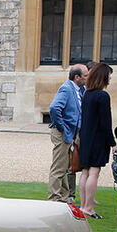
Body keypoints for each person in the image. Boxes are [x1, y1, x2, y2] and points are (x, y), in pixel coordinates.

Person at [76, 61, 116, 219]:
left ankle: (83, 205)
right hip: (97, 138)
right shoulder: (102, 95)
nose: (110, 79)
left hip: (86, 137)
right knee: (94, 172)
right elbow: (106, 122)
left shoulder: (88, 94)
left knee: (85, 172)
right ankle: (88, 207)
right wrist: (113, 143)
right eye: (108, 76)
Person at [47, 63, 88, 202]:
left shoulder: (79, 90)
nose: (87, 78)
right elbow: (54, 108)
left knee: (65, 167)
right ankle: (54, 198)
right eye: (85, 76)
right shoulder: (66, 88)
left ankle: (64, 197)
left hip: (71, 133)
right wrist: (62, 127)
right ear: (77, 77)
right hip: (63, 133)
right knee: (59, 167)